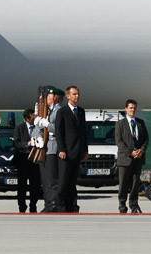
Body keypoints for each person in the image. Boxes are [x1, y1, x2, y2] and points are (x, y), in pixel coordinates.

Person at [54, 85, 88, 213]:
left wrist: (85, 149)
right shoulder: (62, 112)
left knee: (73, 181)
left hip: (78, 151)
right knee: (63, 180)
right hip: (66, 152)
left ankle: (72, 205)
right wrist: (61, 149)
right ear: (68, 96)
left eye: (78, 94)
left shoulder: (81, 111)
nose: (77, 96)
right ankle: (61, 205)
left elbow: (84, 131)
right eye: (74, 94)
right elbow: (59, 132)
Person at [33, 86, 64, 212]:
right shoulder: (45, 110)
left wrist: (46, 124)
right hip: (44, 147)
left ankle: (53, 204)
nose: (47, 98)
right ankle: (47, 203)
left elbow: (59, 129)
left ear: (55, 98)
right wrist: (38, 137)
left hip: (53, 147)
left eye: (49, 96)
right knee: (45, 179)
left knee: (52, 179)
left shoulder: (59, 111)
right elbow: (37, 126)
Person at [116, 99, 149, 213]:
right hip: (125, 159)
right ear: (126, 109)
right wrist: (130, 152)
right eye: (130, 108)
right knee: (123, 184)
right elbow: (119, 141)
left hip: (138, 159)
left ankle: (134, 205)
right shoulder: (120, 124)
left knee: (135, 184)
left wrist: (141, 151)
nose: (132, 110)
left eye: (134, 108)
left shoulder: (140, 122)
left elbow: (146, 139)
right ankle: (122, 205)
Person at [12, 108, 42, 213]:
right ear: (26, 118)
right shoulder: (19, 128)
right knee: (22, 185)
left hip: (34, 160)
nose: (34, 120)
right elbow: (16, 143)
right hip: (23, 159)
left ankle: (33, 205)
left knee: (35, 184)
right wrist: (27, 144)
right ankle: (22, 206)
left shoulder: (37, 128)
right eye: (32, 118)